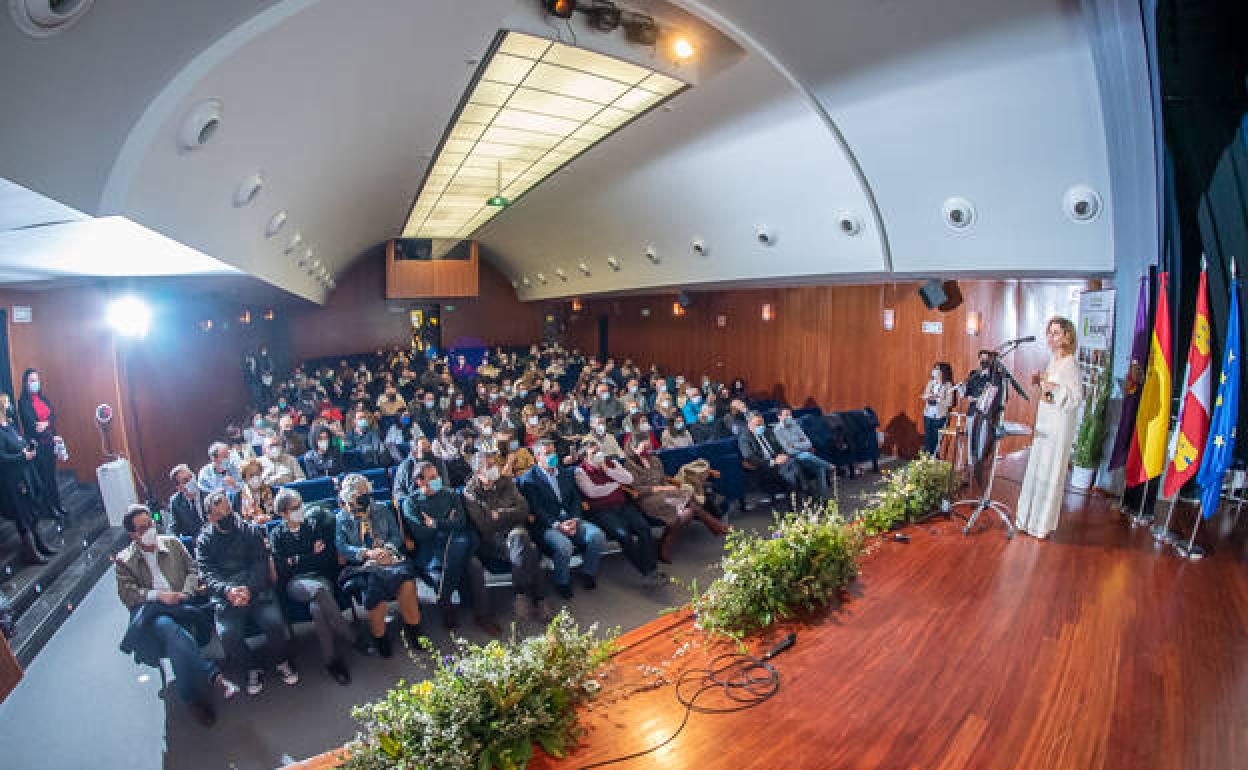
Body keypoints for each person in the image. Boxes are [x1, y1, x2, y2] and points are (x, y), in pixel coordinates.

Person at [115, 505, 238, 726]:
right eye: (142, 528)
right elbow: (128, 594)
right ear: (132, 535)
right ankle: (213, 678)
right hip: (155, 614)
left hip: (184, 606)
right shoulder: (125, 560)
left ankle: (192, 698)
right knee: (166, 627)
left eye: (151, 524)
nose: (150, 529)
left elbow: (193, 570)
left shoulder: (172, 544)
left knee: (176, 640)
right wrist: (158, 596)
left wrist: (184, 593)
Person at [196, 491, 299, 696]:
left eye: (228, 510)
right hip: (227, 595)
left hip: (256, 589)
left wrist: (249, 590)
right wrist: (229, 591)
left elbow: (260, 563)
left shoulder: (249, 530)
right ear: (210, 518)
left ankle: (282, 661)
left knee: (273, 622)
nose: (227, 516)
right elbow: (207, 573)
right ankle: (252, 668)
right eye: (220, 514)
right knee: (227, 635)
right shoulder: (204, 541)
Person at [269, 489, 358, 686]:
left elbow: (326, 558)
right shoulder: (276, 534)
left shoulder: (313, 525)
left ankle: (332, 662)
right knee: (319, 591)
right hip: (296, 584)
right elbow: (282, 569)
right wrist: (310, 556)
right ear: (283, 513)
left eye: (301, 505)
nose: (301, 510)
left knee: (317, 609)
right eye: (295, 508)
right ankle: (350, 635)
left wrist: (296, 559)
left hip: (321, 578)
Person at [401, 462, 501, 635]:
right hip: (431, 552)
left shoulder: (450, 494)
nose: (437, 480)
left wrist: (436, 523)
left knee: (475, 567)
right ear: (420, 482)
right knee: (440, 573)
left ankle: (481, 615)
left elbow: (461, 523)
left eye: (437, 476)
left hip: (457, 542)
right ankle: (447, 609)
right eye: (432, 478)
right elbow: (421, 534)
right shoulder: (411, 503)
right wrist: (448, 522)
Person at [334, 474, 423, 657]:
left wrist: (386, 550)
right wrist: (366, 553)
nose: (366, 496)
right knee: (374, 590)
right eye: (360, 494)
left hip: (389, 560)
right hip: (364, 565)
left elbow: (396, 536)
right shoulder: (342, 518)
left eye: (367, 492)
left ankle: (413, 629)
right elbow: (342, 546)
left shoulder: (381, 509)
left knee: (406, 586)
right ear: (351, 497)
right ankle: (379, 636)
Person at [463, 451, 552, 622]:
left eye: (494, 465)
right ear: (478, 472)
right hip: (492, 540)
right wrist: (508, 514)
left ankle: (520, 594)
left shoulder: (507, 482)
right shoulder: (470, 492)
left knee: (520, 538)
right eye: (489, 467)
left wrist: (500, 514)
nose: (494, 469)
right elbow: (485, 524)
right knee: (530, 549)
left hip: (516, 532)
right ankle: (540, 598)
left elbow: (524, 509)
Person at [1015, 317, 1083, 539]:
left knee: (1050, 472)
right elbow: (1049, 393)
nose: (1050, 337)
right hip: (1045, 422)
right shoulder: (1054, 361)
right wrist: (1041, 382)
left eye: (1056, 333)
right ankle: (1026, 518)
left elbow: (1075, 397)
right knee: (1037, 470)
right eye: (1049, 333)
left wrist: (1054, 387)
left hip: (1058, 427)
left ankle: (1040, 524)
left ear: (1067, 336)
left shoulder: (1070, 363)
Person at [517, 440, 605, 599]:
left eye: (553, 452)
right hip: (547, 525)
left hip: (572, 519)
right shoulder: (529, 479)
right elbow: (537, 509)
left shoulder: (565, 472)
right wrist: (558, 525)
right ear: (537, 457)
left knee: (597, 536)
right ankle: (562, 581)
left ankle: (588, 572)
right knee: (564, 546)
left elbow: (575, 499)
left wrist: (575, 519)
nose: (552, 456)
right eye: (547, 453)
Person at [623, 438, 728, 564]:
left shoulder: (655, 460)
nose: (648, 450)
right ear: (634, 449)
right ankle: (716, 526)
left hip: (665, 494)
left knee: (689, 510)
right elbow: (637, 489)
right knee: (688, 502)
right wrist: (663, 487)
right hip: (647, 498)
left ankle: (664, 545)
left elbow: (662, 479)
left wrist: (667, 486)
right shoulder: (629, 465)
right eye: (644, 447)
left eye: (649, 446)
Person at [573, 441, 662, 584]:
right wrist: (615, 484)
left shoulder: (612, 463)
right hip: (602, 511)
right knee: (624, 535)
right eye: (593, 453)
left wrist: (608, 471)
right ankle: (647, 571)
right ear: (585, 457)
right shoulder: (580, 471)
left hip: (623, 506)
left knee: (644, 528)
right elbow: (593, 492)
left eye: (599, 451)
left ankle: (652, 568)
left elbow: (628, 479)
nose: (598, 455)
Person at [0, 392, 56, 564]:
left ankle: (40, 544)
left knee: (33, 511)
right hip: (13, 481)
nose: (10, 406)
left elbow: (20, 443)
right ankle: (31, 552)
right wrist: (22, 456)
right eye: (7, 403)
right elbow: (2, 457)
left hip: (27, 475)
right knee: (23, 516)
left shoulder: (10, 426)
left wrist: (29, 447)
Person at [17, 368, 65, 519]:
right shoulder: (23, 402)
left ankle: (57, 504)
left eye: (36, 380)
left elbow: (52, 415)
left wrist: (46, 424)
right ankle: (49, 509)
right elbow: (32, 426)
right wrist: (46, 430)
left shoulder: (43, 398)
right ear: (25, 383)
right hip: (38, 445)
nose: (35, 383)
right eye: (31, 380)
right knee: (44, 478)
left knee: (51, 476)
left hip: (50, 442)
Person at [772, 408, 832, 500]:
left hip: (804, 455)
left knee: (820, 469)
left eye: (790, 414)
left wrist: (794, 445)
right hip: (792, 458)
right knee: (807, 455)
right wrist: (800, 445)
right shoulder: (777, 430)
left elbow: (808, 443)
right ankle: (829, 466)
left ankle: (823, 499)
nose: (789, 417)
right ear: (779, 417)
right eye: (786, 415)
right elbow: (789, 450)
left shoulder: (795, 425)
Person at [738, 411, 801, 500]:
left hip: (778, 461)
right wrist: (773, 462)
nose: (761, 427)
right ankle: (797, 494)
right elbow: (750, 457)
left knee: (794, 463)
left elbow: (780, 445)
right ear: (750, 425)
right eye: (758, 425)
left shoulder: (768, 431)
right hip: (764, 466)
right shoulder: (744, 438)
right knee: (791, 470)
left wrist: (782, 455)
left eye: (762, 424)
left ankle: (794, 495)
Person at [920, 362, 956, 456]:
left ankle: (934, 458)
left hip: (940, 415)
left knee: (936, 439)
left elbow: (950, 402)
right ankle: (927, 458)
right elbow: (924, 394)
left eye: (937, 369)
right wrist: (927, 396)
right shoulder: (931, 382)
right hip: (928, 414)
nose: (935, 371)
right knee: (928, 438)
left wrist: (938, 399)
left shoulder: (948, 385)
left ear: (943, 371)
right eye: (934, 368)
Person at [168, 463, 210, 540]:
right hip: (194, 543)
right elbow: (173, 528)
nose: (191, 481)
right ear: (179, 488)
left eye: (191, 476)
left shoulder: (208, 492)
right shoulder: (176, 502)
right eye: (186, 480)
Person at [235, 459, 275, 524]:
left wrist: (268, 518)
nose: (255, 477)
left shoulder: (272, 491)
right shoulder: (238, 497)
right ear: (244, 478)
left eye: (257, 474)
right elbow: (239, 521)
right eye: (251, 475)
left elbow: (279, 513)